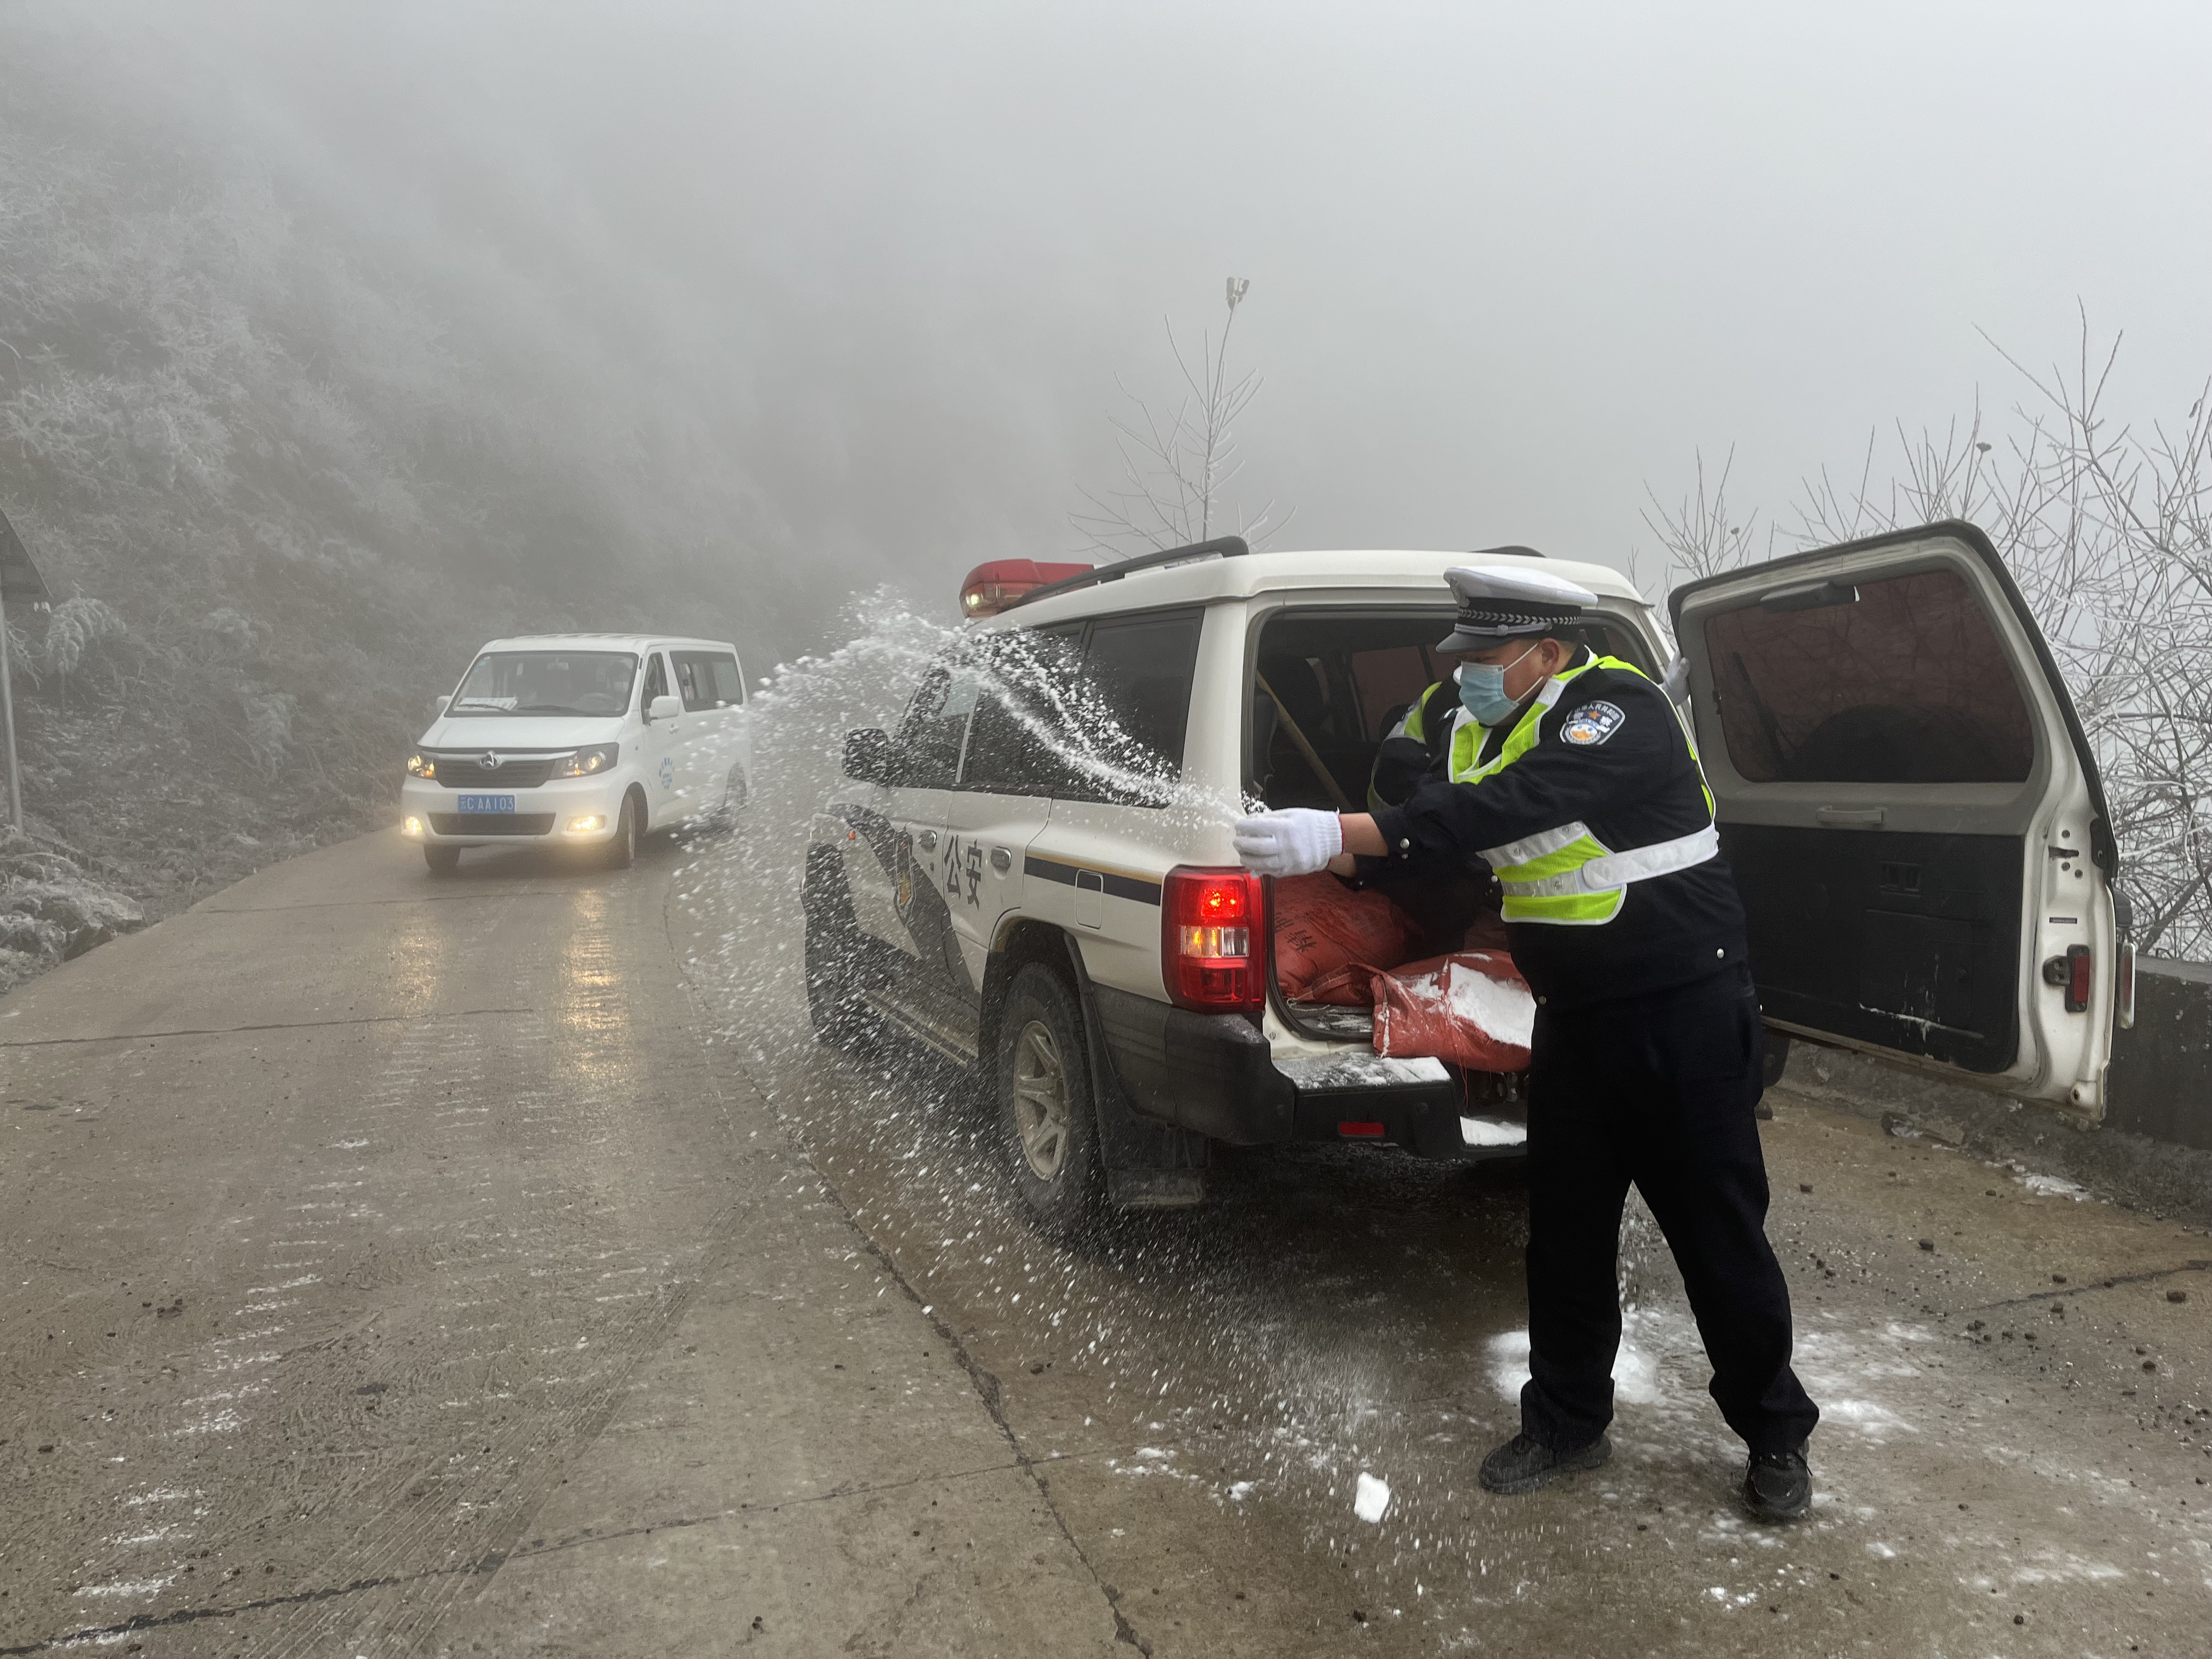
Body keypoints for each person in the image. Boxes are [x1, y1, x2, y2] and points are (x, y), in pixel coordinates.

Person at [1232, 561, 1820, 1522]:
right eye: (1461, 653)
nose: (1463, 671)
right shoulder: (1476, 728)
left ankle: (1775, 1436)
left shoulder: (1612, 712)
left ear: (1546, 653)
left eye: (1485, 655)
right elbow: (1454, 840)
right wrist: (1335, 851)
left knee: (1718, 1236)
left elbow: (1512, 806)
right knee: (1566, 1235)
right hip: (1579, 1018)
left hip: (1684, 1014)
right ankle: (1565, 1422)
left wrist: (1346, 826)